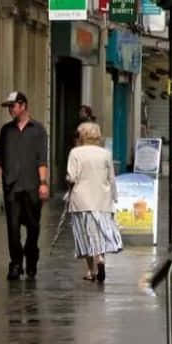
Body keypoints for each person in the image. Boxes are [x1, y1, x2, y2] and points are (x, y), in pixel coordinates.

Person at [0, 91, 49, 280]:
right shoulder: (6, 130)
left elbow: (42, 159)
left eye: (12, 106)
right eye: (8, 106)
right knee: (13, 228)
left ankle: (31, 260)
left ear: (23, 105)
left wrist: (43, 183)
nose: (10, 109)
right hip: (12, 186)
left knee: (33, 228)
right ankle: (16, 263)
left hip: (32, 186)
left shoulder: (38, 130)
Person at [65, 121, 122, 284]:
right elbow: (111, 177)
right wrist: (114, 197)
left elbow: (71, 177)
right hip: (102, 200)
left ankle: (90, 270)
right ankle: (101, 259)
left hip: (81, 200)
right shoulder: (105, 154)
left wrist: (68, 185)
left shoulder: (75, 153)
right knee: (99, 232)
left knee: (85, 235)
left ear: (82, 135)